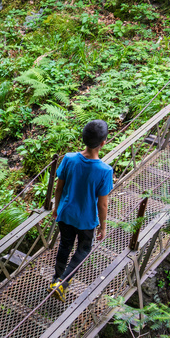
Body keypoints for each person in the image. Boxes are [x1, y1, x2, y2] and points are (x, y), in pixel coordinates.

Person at [49, 120, 114, 302]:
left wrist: (56, 208)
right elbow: (102, 205)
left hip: (66, 213)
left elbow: (59, 188)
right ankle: (63, 282)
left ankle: (55, 279)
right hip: (86, 219)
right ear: (103, 143)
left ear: (84, 138)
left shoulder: (69, 159)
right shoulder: (105, 171)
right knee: (84, 249)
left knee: (65, 245)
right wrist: (103, 227)